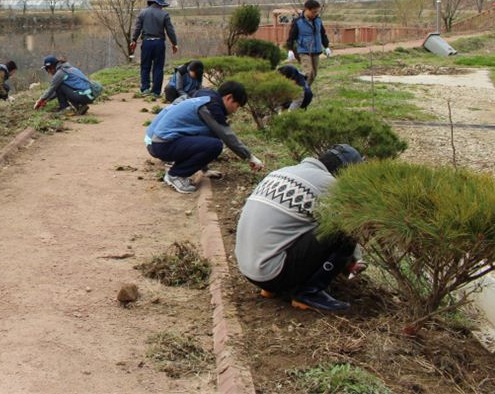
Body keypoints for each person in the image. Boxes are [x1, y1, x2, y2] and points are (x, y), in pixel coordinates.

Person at [234, 144, 364, 312]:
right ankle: (309, 292)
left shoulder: (283, 171)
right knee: (344, 231)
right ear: (345, 171)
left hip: (249, 269)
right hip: (272, 274)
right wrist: (355, 260)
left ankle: (272, 288)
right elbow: (345, 225)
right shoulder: (329, 184)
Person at [144, 81, 265, 194]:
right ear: (229, 98)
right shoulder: (212, 106)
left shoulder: (207, 98)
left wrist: (205, 170)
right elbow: (227, 135)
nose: (235, 110)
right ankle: (175, 175)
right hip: (163, 144)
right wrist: (250, 157)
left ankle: (184, 171)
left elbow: (202, 136)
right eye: (237, 105)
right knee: (215, 145)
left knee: (212, 139)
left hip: (161, 142)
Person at [130, 0, 179, 97]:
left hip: (147, 43)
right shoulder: (164, 14)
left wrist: (133, 40)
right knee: (158, 67)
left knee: (145, 66)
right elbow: (170, 30)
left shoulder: (143, 13)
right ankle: (156, 92)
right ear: (159, 4)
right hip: (159, 43)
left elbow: (137, 28)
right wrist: (174, 43)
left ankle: (145, 89)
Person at [285, 0, 330, 85]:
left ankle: (305, 89)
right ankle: (302, 91)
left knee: (314, 74)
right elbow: (291, 37)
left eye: (317, 11)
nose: (315, 14)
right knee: (308, 73)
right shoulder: (298, 22)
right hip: (303, 51)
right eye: (313, 12)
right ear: (307, 10)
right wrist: (290, 50)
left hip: (316, 51)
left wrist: (326, 46)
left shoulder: (318, 20)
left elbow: (322, 34)